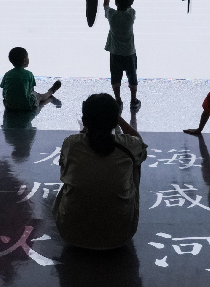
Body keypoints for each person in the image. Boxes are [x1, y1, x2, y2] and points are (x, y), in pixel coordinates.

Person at [53, 94, 148, 250]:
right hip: (121, 235)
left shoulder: (72, 144)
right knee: (135, 162)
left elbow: (64, 168)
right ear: (115, 121)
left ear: (84, 121)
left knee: (70, 175)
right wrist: (117, 117)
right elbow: (141, 144)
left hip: (71, 233)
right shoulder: (129, 145)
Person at [103, 0, 140, 111]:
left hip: (115, 53)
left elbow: (105, 5)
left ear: (116, 1)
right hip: (129, 53)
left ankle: (118, 101)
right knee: (132, 76)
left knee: (115, 77)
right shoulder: (131, 15)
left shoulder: (112, 15)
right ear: (131, 2)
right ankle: (133, 101)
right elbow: (128, 6)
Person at [0, 47, 61, 111]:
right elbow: (30, 90)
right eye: (27, 57)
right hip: (27, 105)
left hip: (9, 105)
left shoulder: (7, 74)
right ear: (24, 60)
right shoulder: (29, 74)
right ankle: (50, 93)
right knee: (40, 96)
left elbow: (4, 90)